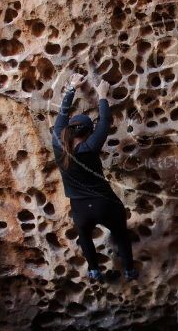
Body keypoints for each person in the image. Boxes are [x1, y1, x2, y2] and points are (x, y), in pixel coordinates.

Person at [51, 72, 138, 282]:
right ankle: (129, 270)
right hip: (103, 203)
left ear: (69, 130)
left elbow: (62, 114)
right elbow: (105, 121)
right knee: (120, 234)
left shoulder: (57, 144)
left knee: (85, 237)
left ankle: (93, 270)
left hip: (80, 208)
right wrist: (102, 95)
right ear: (89, 133)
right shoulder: (90, 147)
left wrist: (72, 86)